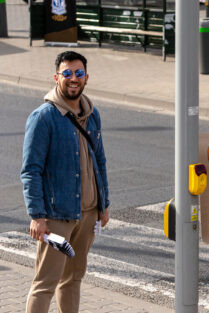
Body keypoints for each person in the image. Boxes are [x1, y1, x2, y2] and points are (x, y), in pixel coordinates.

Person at [21, 51, 110, 313]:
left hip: (87, 214)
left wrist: (104, 205)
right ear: (56, 77)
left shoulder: (92, 115)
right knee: (46, 283)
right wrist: (37, 216)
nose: (74, 79)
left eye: (79, 73)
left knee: (73, 279)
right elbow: (30, 170)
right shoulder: (43, 117)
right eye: (67, 73)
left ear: (86, 78)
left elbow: (100, 162)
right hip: (57, 216)